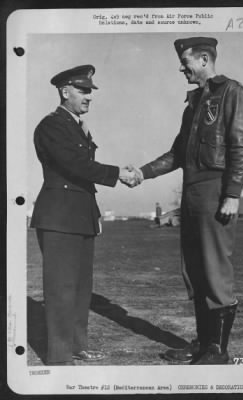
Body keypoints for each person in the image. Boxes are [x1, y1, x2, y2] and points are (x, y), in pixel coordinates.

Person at [127, 37, 243, 364]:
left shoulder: (232, 93)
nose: (181, 69)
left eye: (185, 63)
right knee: (195, 271)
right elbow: (177, 154)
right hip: (192, 192)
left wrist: (232, 194)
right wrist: (142, 172)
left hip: (215, 190)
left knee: (215, 270)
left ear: (203, 59)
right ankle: (203, 344)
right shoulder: (194, 103)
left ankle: (218, 350)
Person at [30, 65, 135, 365]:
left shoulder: (76, 125)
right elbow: (76, 166)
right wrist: (118, 175)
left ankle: (78, 346)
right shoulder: (51, 126)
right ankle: (60, 356)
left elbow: (82, 171)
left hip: (80, 215)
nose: (89, 96)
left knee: (80, 288)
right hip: (59, 218)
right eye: (83, 90)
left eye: (90, 91)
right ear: (65, 92)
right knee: (61, 288)